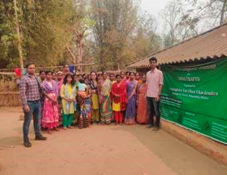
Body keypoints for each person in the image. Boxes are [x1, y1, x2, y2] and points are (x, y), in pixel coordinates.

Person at [20, 63, 47, 148]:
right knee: (27, 122)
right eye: (30, 68)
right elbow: (22, 93)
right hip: (29, 103)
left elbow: (40, 89)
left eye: (33, 68)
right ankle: (25, 139)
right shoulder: (24, 79)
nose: (32, 69)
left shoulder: (36, 78)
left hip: (37, 102)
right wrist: (25, 105)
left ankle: (37, 135)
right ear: (27, 69)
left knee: (37, 120)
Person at [146, 57, 163, 131]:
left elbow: (161, 84)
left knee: (157, 111)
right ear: (149, 63)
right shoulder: (148, 73)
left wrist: (158, 95)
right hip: (148, 95)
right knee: (150, 111)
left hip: (155, 95)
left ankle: (157, 126)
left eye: (154, 62)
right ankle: (151, 123)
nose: (152, 64)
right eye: (151, 62)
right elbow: (147, 84)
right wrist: (146, 94)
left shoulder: (159, 72)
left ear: (156, 63)